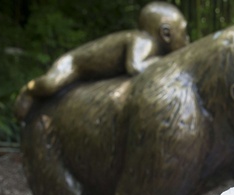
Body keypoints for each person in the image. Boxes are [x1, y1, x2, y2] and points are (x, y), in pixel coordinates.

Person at [14, 2, 189, 120]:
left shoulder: (150, 46)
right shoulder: (144, 41)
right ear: (166, 34)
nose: (187, 39)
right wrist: (170, 62)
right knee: (50, 84)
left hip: (88, 73)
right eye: (184, 33)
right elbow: (135, 67)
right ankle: (29, 89)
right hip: (73, 64)